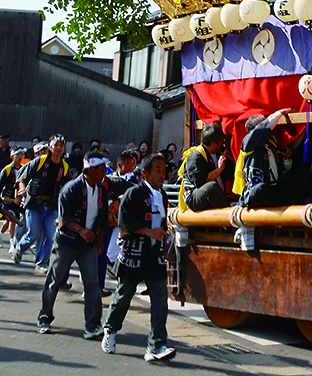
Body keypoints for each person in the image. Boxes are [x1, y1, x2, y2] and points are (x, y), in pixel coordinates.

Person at [102, 154, 175, 363]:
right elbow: (124, 225)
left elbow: (160, 222)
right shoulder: (133, 194)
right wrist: (148, 232)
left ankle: (156, 345)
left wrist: (163, 235)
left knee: (160, 300)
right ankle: (111, 330)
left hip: (154, 256)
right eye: (158, 170)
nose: (163, 174)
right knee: (124, 295)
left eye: (164, 170)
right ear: (145, 173)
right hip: (134, 253)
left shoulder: (162, 194)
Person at [37, 151, 109, 337]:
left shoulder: (102, 190)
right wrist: (81, 230)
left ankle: (92, 325)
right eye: (102, 169)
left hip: (88, 244)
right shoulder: (71, 188)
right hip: (67, 242)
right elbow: (64, 219)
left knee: (92, 285)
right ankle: (44, 318)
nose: (104, 172)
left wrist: (98, 239)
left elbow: (101, 218)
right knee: (54, 280)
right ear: (90, 169)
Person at [13, 134, 70, 272]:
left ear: (63, 149)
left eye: (61, 146)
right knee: (33, 234)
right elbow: (21, 178)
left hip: (52, 206)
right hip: (35, 204)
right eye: (55, 145)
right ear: (50, 147)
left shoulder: (65, 167)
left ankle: (41, 263)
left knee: (51, 237)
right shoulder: (39, 161)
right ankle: (20, 249)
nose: (58, 148)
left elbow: (68, 188)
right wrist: (21, 190)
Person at [235, 109, 312, 209]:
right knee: (259, 190)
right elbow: (262, 129)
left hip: (275, 188)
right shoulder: (248, 143)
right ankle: (285, 206)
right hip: (259, 190)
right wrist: (278, 114)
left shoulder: (272, 145)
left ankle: (288, 206)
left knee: (303, 177)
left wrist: (286, 159)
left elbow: (284, 170)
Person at [180, 124, 233, 211]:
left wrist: (230, 159)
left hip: (219, 195)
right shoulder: (196, 156)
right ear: (212, 143)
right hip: (194, 195)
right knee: (211, 187)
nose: (222, 143)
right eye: (220, 141)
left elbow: (230, 175)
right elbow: (199, 181)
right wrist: (219, 169)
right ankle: (227, 216)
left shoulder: (220, 153)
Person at [0, 147, 26, 248]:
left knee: (9, 219)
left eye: (22, 154)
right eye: (18, 154)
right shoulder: (7, 169)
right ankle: (12, 244)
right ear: (12, 156)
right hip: (7, 197)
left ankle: (0, 235)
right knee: (12, 218)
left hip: (18, 197)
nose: (20, 157)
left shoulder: (24, 167)